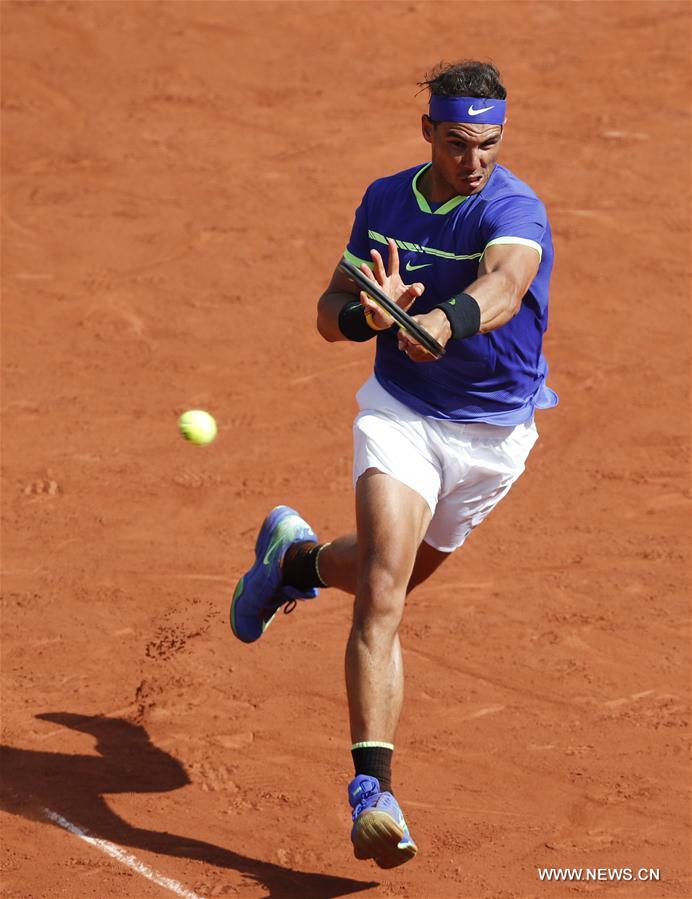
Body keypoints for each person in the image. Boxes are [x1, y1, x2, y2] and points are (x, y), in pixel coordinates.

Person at [230, 60, 557, 869]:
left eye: (488, 144)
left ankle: (295, 559)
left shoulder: (514, 207)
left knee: (394, 574)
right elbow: (327, 312)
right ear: (428, 134)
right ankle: (372, 792)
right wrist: (369, 314)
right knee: (381, 592)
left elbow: (507, 283)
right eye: (457, 144)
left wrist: (441, 323)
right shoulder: (384, 201)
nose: (474, 160)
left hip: (493, 439)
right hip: (402, 415)